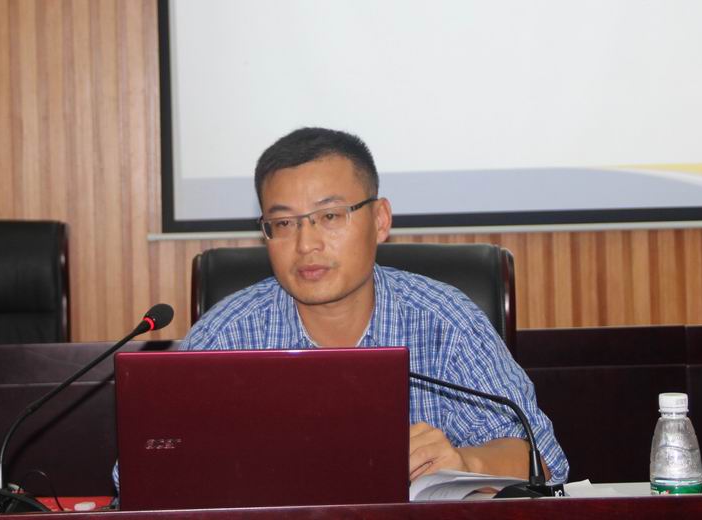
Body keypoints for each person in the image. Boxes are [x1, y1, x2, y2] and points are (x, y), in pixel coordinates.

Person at [179, 127, 569, 484]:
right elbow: (157, 476)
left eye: (329, 216)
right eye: (283, 224)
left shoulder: (445, 323)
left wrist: (467, 464)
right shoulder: (223, 339)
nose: (306, 244)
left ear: (380, 220)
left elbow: (546, 464)